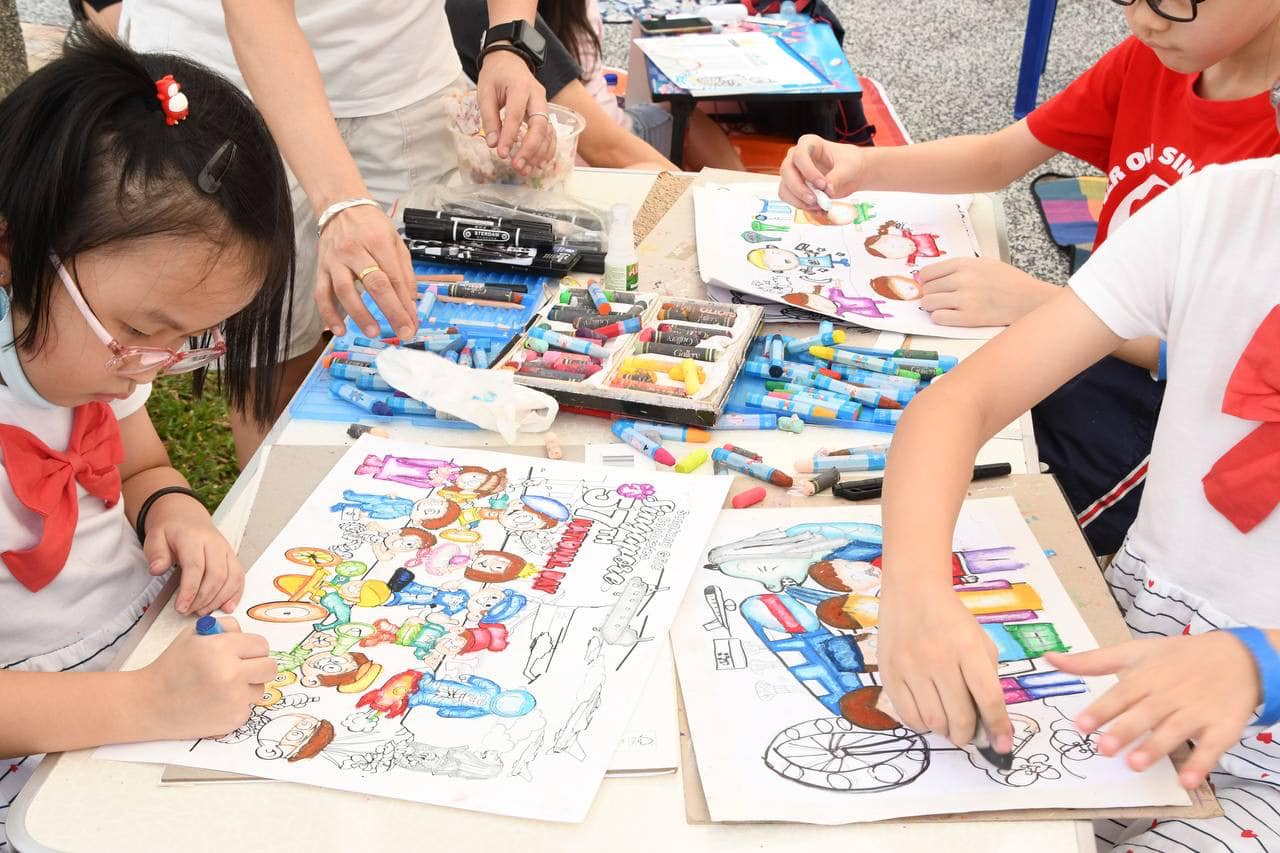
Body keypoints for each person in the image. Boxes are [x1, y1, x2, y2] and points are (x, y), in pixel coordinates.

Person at [878, 152, 1280, 849]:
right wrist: (915, 589)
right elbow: (960, 403)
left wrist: (1260, 660)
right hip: (1123, 653)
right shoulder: (1224, 208)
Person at [779, 0, 1280, 555]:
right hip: (1085, 336)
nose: (1144, 18)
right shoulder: (1155, 57)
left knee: (1022, 530)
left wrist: (1040, 302)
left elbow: (1231, 359)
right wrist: (862, 166)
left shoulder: (1265, 161)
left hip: (1173, 406)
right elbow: (1000, 156)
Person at [0, 31, 287, 842]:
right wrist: (145, 702)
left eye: (186, 342)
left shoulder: (88, 357)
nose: (147, 372)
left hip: (146, 661)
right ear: (13, 250)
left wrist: (174, 511)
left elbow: (143, 467)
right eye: (138, 331)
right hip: (45, 747)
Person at [122, 0, 556, 467]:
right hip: (238, 84)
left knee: (431, 346)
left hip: (404, 76)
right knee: (275, 377)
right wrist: (342, 203)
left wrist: (510, 40)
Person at [448, 0, 745, 170]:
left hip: (609, 126)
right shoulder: (496, 21)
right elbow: (604, 147)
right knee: (661, 164)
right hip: (574, 159)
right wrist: (696, 196)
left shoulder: (568, 12)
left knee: (688, 120)